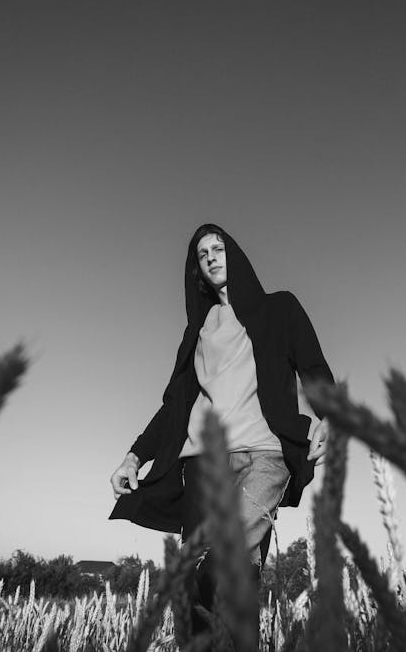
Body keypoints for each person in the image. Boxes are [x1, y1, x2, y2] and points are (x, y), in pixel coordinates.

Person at [109, 223, 334, 637]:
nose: (211, 256)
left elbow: (313, 366)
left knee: (220, 563)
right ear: (197, 269)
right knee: (208, 595)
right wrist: (134, 455)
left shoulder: (279, 309)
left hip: (266, 457)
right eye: (202, 253)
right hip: (203, 467)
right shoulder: (198, 332)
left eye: (218, 248)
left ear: (235, 254)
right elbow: (174, 408)